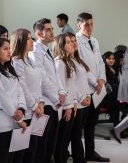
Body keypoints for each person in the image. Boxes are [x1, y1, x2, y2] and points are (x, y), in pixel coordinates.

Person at [0, 37, 27, 163]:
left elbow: (19, 90)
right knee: (3, 159)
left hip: (14, 119)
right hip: (0, 123)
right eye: (5, 49)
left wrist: (22, 108)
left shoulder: (8, 68)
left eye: (9, 48)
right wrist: (19, 118)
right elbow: (2, 98)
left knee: (13, 159)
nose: (9, 52)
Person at [28, 18, 65, 163]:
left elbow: (55, 75)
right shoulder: (36, 51)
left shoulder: (47, 50)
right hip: (45, 104)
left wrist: (62, 92)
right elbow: (42, 79)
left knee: (51, 144)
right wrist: (56, 98)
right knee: (42, 146)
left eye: (52, 29)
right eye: (48, 30)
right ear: (38, 33)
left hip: (53, 102)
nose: (52, 32)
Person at [75, 12, 109, 162]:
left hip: (97, 90)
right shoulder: (75, 40)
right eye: (86, 24)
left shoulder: (94, 40)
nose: (89, 27)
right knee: (79, 127)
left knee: (91, 124)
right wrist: (95, 82)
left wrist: (102, 79)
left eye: (91, 24)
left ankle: (90, 152)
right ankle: (77, 155)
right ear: (79, 25)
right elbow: (82, 64)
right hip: (85, 89)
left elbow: (100, 62)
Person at [11, 28, 44, 163]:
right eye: (29, 39)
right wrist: (35, 106)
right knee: (24, 152)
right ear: (21, 41)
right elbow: (22, 87)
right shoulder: (17, 61)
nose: (32, 41)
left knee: (34, 149)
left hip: (37, 109)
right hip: (27, 111)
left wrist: (41, 102)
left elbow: (38, 83)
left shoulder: (30, 59)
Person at [52, 34, 78, 163]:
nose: (72, 44)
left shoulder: (68, 61)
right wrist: (68, 107)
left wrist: (74, 103)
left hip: (70, 105)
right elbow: (61, 87)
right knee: (61, 140)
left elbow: (72, 86)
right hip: (64, 107)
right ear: (61, 46)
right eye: (68, 42)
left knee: (66, 138)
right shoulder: (59, 62)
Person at [66, 32, 92, 163]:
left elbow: (84, 80)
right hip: (77, 102)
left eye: (74, 40)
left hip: (84, 101)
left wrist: (88, 95)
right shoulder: (67, 61)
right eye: (70, 41)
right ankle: (79, 159)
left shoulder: (78, 59)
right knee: (75, 134)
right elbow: (72, 84)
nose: (73, 43)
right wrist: (82, 97)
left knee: (77, 133)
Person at [101, 51, 127, 137]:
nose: (111, 60)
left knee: (118, 104)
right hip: (104, 97)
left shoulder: (114, 69)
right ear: (104, 59)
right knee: (119, 104)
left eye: (113, 59)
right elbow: (109, 86)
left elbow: (116, 85)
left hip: (113, 95)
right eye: (109, 59)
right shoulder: (103, 70)